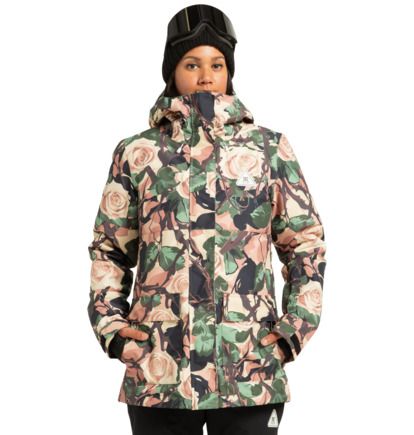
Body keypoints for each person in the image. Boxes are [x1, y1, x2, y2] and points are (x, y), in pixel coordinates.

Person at [87, 4, 327, 435]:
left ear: (229, 71)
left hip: (248, 368)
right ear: (171, 71)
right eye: (191, 64)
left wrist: (295, 327)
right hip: (159, 370)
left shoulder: (268, 149)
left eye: (217, 64)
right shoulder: (137, 153)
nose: (205, 76)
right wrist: (113, 327)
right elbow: (110, 248)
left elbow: (304, 242)